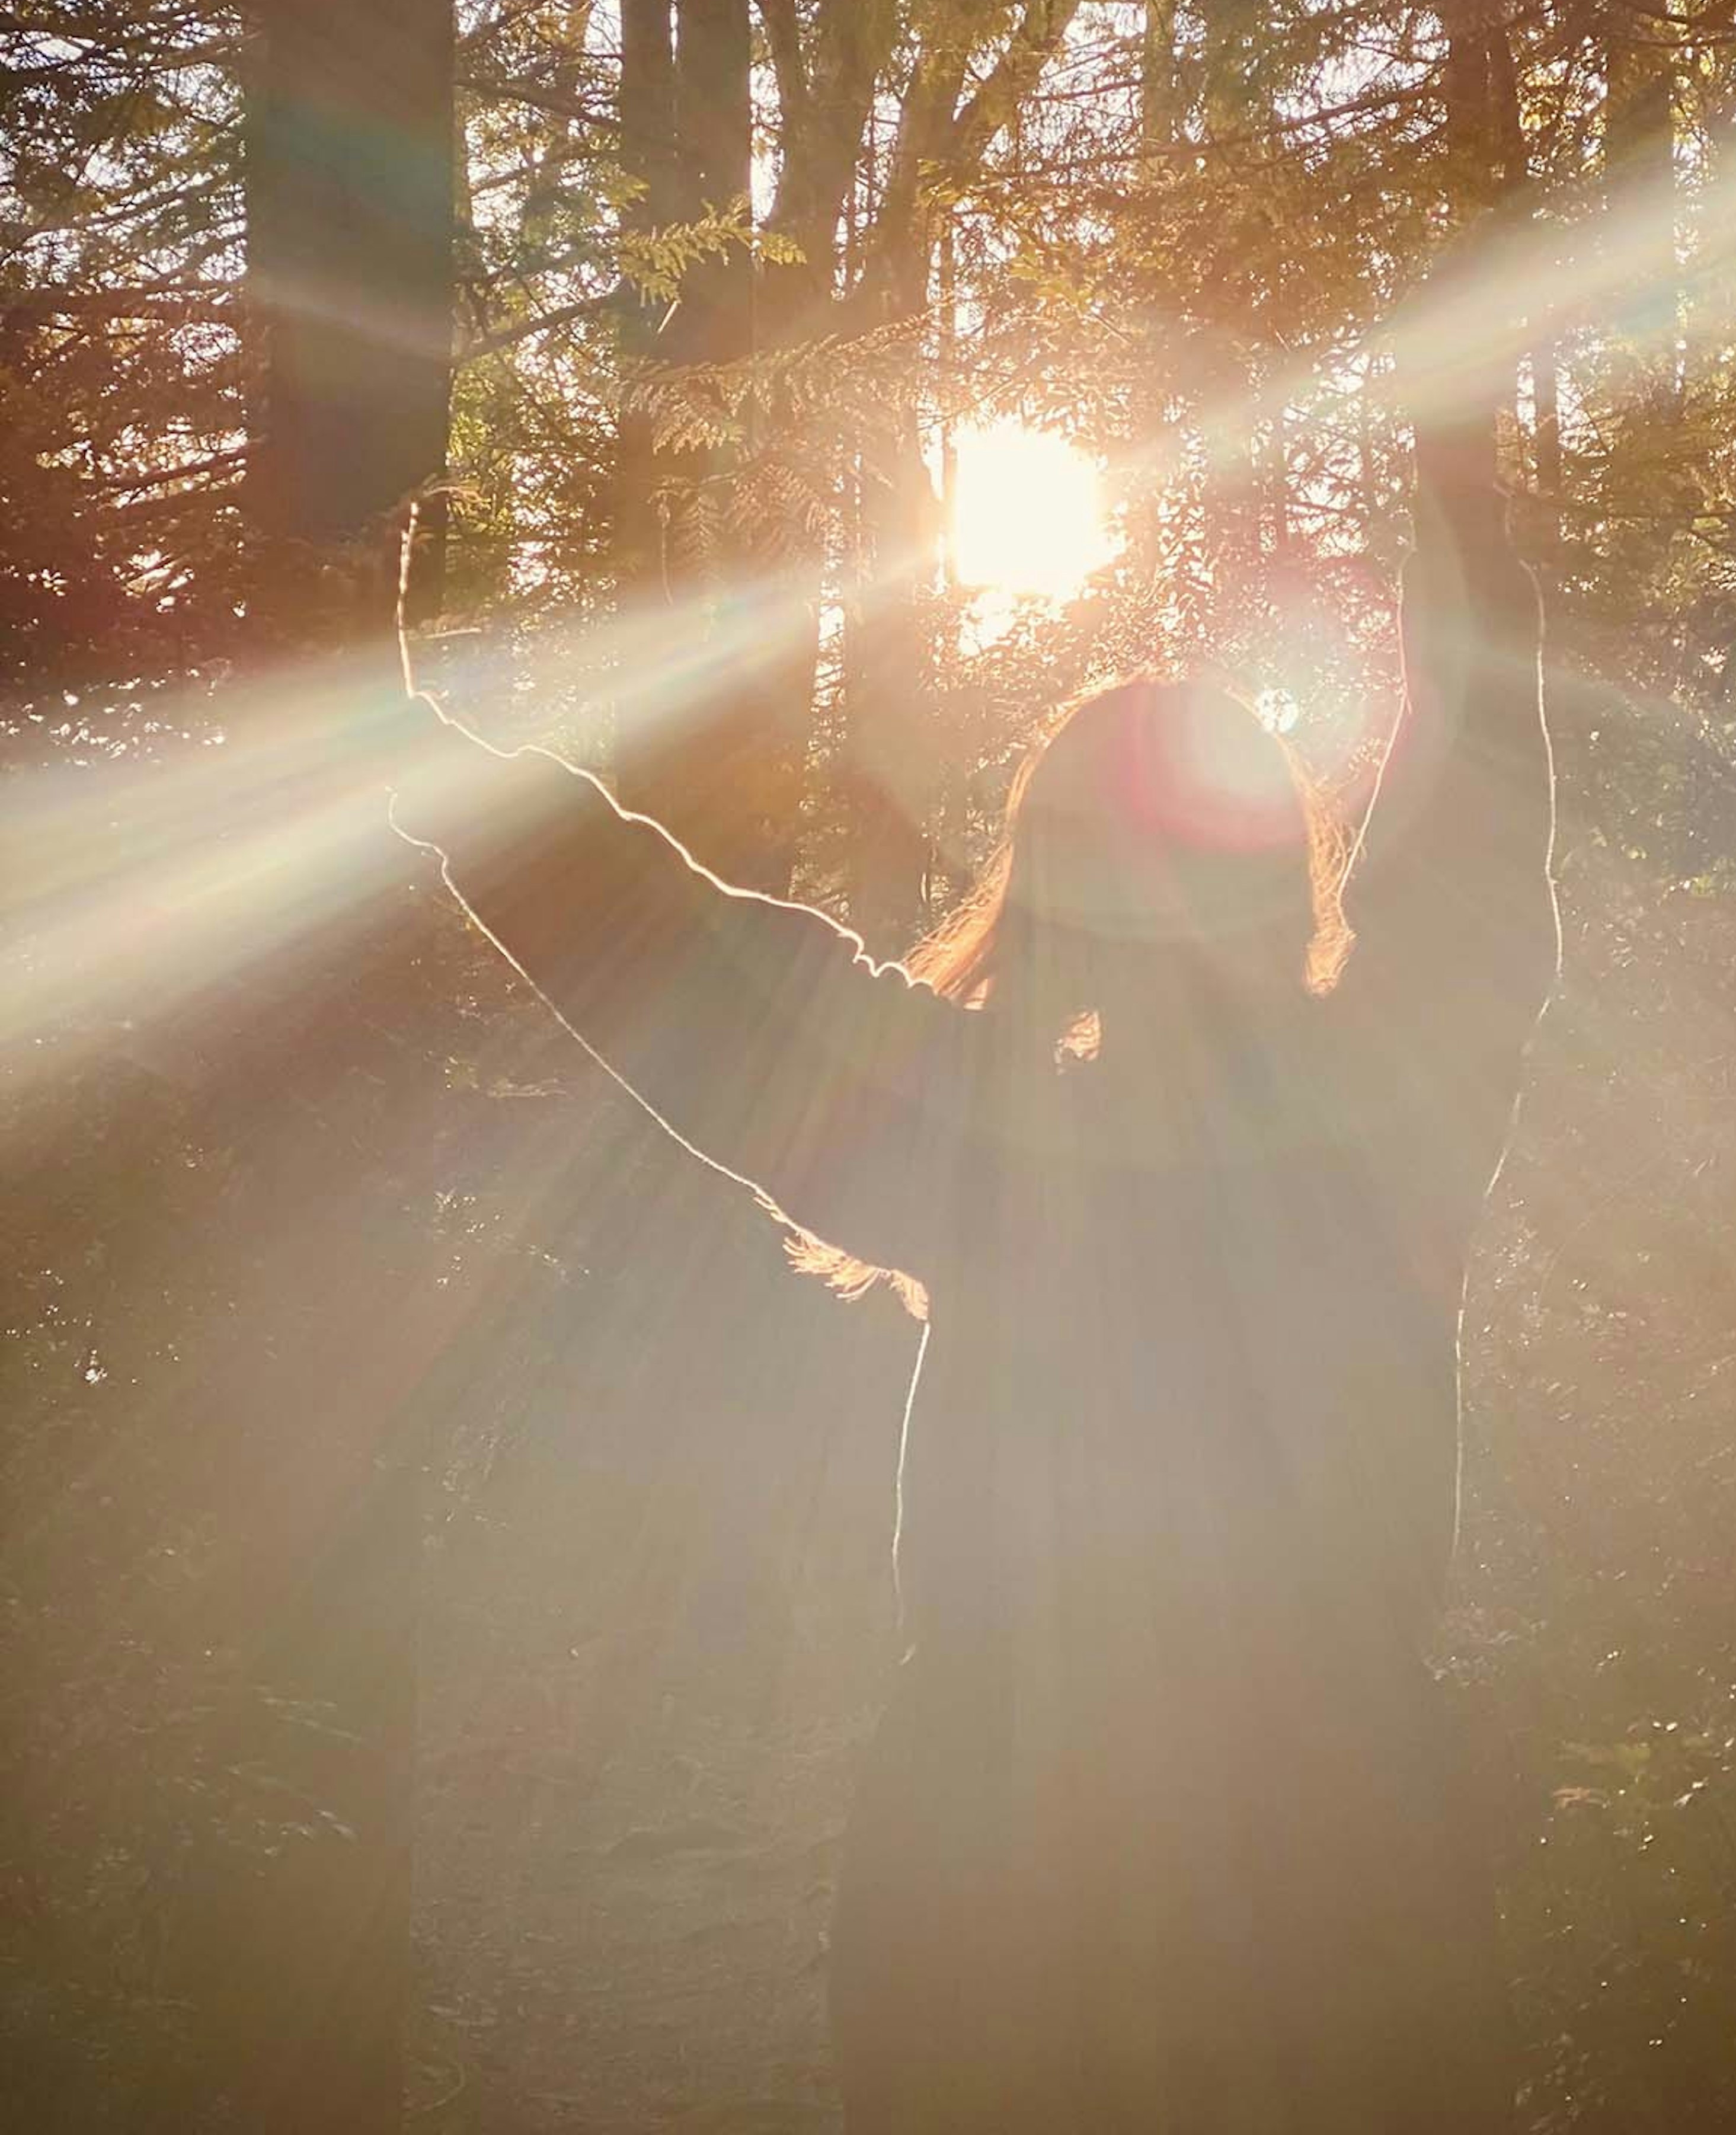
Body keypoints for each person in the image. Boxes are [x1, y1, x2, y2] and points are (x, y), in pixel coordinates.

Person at [386, 449, 1556, 2133]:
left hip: (1001, 1863)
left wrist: (414, 734)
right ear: (1285, 868)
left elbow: (682, 953)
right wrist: (1464, 532)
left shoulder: (981, 1143)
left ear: (1045, 891)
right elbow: (1480, 849)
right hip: (1344, 1856)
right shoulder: (1388, 1118)